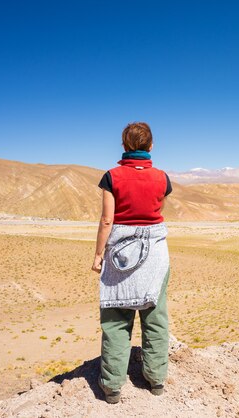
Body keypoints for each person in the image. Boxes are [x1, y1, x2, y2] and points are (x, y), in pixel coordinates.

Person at [91, 122, 173, 404]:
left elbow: (107, 220)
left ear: (124, 146)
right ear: (150, 146)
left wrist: (98, 255)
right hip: (155, 255)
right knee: (155, 317)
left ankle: (112, 387)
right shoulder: (163, 178)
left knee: (116, 319)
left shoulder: (111, 177)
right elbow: (155, 212)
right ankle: (156, 381)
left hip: (120, 256)